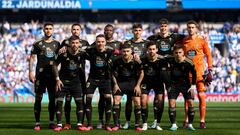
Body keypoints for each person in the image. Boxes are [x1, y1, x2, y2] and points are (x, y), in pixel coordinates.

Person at [147, 18, 185, 128]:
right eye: (161, 26)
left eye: (165, 26)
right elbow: (146, 44)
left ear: (168, 27)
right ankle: (156, 121)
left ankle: (173, 123)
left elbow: (187, 37)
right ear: (159, 27)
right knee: (158, 98)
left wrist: (201, 36)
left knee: (171, 97)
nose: (163, 28)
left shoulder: (174, 37)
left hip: (170, 72)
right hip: (157, 71)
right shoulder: (153, 38)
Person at [29, 22, 60, 131]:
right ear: (43, 30)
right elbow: (32, 58)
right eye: (46, 28)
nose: (48, 30)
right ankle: (37, 123)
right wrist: (30, 72)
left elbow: (59, 60)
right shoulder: (37, 44)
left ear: (53, 30)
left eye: (50, 28)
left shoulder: (57, 44)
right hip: (40, 75)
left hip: (52, 76)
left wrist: (58, 76)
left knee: (53, 100)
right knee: (38, 99)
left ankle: (51, 122)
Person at [182, 20, 213, 129]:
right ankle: (186, 120)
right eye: (189, 27)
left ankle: (202, 121)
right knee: (188, 98)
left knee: (201, 96)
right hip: (187, 74)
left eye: (192, 27)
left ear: (196, 28)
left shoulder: (202, 41)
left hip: (200, 73)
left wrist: (210, 70)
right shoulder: (184, 41)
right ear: (187, 28)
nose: (190, 29)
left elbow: (208, 55)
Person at [59, 23, 89, 130]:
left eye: (77, 29)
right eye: (74, 29)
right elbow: (59, 54)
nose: (75, 31)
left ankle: (81, 122)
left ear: (80, 31)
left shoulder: (85, 43)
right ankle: (67, 122)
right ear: (71, 30)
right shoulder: (65, 42)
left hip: (80, 75)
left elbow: (91, 53)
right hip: (67, 76)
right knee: (67, 100)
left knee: (81, 100)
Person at [53, 35, 86, 132]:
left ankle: (79, 124)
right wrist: (57, 79)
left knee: (79, 103)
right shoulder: (63, 54)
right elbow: (55, 65)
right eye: (73, 43)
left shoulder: (83, 53)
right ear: (69, 44)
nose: (75, 45)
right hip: (62, 82)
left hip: (76, 82)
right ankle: (59, 124)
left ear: (79, 44)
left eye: (76, 43)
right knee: (59, 102)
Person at [84, 34, 113, 131]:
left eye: (102, 42)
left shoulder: (110, 51)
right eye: (98, 42)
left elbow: (121, 52)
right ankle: (90, 124)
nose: (100, 43)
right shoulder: (91, 50)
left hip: (105, 79)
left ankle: (107, 124)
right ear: (95, 43)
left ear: (105, 43)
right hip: (92, 79)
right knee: (87, 100)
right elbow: (78, 48)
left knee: (108, 100)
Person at [111, 43, 143, 131]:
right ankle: (117, 124)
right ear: (121, 52)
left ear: (131, 52)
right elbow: (113, 74)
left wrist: (138, 85)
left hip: (133, 83)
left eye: (128, 51)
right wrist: (115, 85)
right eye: (124, 51)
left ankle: (137, 125)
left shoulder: (136, 61)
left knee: (137, 101)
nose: (126, 53)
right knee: (116, 100)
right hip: (121, 83)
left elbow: (141, 73)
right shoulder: (117, 61)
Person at [96, 24, 122, 129]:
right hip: (103, 75)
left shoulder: (119, 44)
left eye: (110, 30)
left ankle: (117, 120)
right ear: (104, 31)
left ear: (113, 31)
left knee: (117, 98)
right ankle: (100, 120)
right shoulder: (98, 42)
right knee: (102, 98)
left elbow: (123, 54)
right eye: (106, 30)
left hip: (116, 75)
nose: (108, 32)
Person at [123, 23, 148, 129]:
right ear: (132, 31)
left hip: (143, 74)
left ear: (142, 31)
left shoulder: (146, 43)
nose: (137, 32)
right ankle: (128, 121)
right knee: (129, 99)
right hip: (131, 76)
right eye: (135, 30)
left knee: (142, 100)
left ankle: (143, 122)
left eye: (139, 30)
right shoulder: (127, 43)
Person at [140, 41, 170, 130]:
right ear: (147, 50)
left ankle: (157, 123)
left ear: (157, 50)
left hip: (158, 82)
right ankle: (145, 123)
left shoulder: (162, 60)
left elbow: (166, 75)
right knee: (143, 101)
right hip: (146, 82)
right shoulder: (142, 59)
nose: (152, 51)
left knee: (160, 101)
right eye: (150, 49)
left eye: (153, 49)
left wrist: (168, 86)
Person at [167, 45, 196, 131]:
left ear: (183, 53)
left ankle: (190, 125)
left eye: (180, 52)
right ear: (173, 53)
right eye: (176, 53)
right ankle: (173, 125)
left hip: (186, 85)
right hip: (173, 85)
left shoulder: (189, 62)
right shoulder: (170, 60)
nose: (178, 54)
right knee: (171, 103)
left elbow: (194, 74)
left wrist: (193, 86)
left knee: (191, 103)